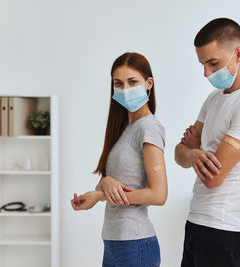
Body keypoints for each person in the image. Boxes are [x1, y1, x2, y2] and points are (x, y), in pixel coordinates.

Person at [175, 18, 240, 267]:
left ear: (238, 53)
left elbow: (213, 177)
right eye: (202, 64)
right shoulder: (214, 99)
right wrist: (193, 154)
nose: (206, 73)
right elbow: (179, 153)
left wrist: (194, 149)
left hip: (226, 230)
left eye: (213, 63)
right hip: (198, 221)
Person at [71, 52, 167, 267]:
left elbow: (159, 194)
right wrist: (98, 194)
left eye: (132, 82)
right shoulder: (124, 129)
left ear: (148, 84)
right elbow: (118, 183)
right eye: (118, 83)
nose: (125, 89)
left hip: (135, 243)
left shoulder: (149, 127)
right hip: (114, 242)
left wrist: (108, 190)